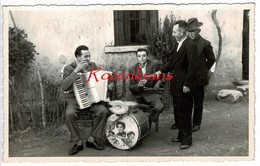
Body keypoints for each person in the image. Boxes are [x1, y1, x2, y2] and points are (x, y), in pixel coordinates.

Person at [61, 45, 114, 155]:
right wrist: (76, 71)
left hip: (91, 98)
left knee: (103, 111)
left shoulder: (92, 66)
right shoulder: (68, 68)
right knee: (69, 114)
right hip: (74, 99)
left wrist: (109, 84)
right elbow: (65, 86)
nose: (88, 59)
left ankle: (92, 139)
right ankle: (77, 142)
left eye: (89, 56)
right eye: (85, 56)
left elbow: (101, 77)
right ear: (78, 57)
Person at [156, 20, 198, 150]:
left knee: (184, 112)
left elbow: (192, 67)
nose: (173, 34)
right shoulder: (178, 44)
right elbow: (172, 62)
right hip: (176, 84)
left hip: (184, 86)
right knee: (178, 111)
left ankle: (187, 140)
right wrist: (160, 71)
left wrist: (187, 85)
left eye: (174, 32)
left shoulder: (191, 45)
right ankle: (181, 135)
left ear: (181, 32)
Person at [187, 18, 216, 132]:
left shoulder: (205, 43)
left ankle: (196, 123)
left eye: (193, 31)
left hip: (199, 78)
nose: (191, 33)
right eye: (189, 31)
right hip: (188, 78)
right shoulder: (186, 43)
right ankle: (186, 122)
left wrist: (203, 70)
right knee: (187, 102)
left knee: (198, 101)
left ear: (198, 30)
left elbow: (212, 59)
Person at [129, 48, 164, 123]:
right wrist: (138, 85)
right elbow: (131, 87)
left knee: (159, 107)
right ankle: (135, 123)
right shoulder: (132, 69)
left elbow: (164, 76)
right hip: (139, 95)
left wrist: (158, 83)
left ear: (147, 56)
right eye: (139, 56)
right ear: (137, 57)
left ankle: (149, 119)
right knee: (124, 105)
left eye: (144, 56)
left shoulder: (155, 64)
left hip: (152, 93)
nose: (141, 58)